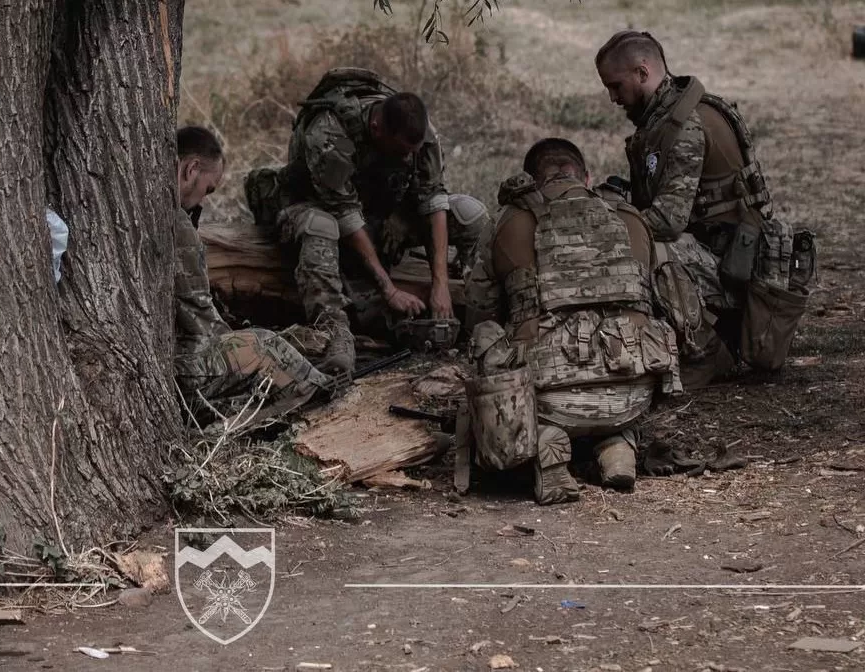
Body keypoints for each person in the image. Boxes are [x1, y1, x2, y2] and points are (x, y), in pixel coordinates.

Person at [459, 139, 681, 504]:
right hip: (632, 393)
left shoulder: (509, 220)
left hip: (547, 399)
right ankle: (619, 442)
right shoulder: (629, 217)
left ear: (533, 179)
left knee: (487, 336)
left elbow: (480, 310)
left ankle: (547, 445)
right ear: (587, 177)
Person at [594, 30, 815, 387]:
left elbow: (667, 221)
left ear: (642, 72)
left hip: (734, 271)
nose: (612, 97)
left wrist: (609, 224)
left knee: (652, 249)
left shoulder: (685, 127)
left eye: (616, 86)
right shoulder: (665, 117)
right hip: (719, 256)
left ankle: (708, 351)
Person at [244, 67, 483, 375]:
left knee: (469, 212)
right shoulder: (329, 135)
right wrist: (389, 289)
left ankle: (482, 316)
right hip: (323, 208)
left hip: (378, 211)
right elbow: (346, 216)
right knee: (321, 226)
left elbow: (433, 198)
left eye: (413, 152)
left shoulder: (419, 134)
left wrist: (440, 285)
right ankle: (334, 334)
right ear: (377, 129)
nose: (407, 159)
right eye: (400, 152)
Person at [172, 126, 335, 423]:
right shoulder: (176, 223)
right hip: (179, 367)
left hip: (170, 365)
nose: (204, 200)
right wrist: (239, 341)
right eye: (208, 189)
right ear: (191, 169)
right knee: (264, 345)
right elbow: (198, 312)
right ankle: (323, 395)